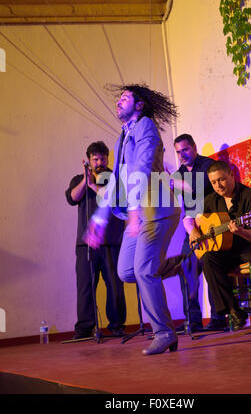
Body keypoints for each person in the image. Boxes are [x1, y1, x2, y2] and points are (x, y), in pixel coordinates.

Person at [84, 83, 181, 355]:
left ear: (138, 105)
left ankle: (163, 333)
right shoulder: (123, 136)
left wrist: (136, 211)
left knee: (143, 270)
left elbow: (143, 167)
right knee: (126, 271)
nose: (119, 102)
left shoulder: (146, 126)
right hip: (136, 215)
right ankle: (175, 266)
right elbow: (115, 182)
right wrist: (99, 221)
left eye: (125, 98)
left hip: (156, 210)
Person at [190, 160, 251, 335]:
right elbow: (195, 219)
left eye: (222, 180)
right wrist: (193, 231)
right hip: (228, 251)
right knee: (208, 259)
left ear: (231, 175)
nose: (218, 185)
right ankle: (234, 311)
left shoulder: (250, 197)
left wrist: (241, 231)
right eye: (213, 182)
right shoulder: (211, 200)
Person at [65, 141, 126, 339]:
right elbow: (73, 198)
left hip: (111, 242)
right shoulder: (79, 178)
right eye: (95, 159)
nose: (100, 162)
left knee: (114, 286)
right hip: (86, 245)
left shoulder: (115, 178)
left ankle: (116, 325)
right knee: (85, 286)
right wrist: (85, 180)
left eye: (103, 158)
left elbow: (113, 199)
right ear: (89, 160)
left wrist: (93, 185)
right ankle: (84, 328)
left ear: (108, 158)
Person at [173, 134, 226, 332]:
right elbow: (184, 204)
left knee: (212, 265)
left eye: (185, 150)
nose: (182, 155)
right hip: (192, 228)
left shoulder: (208, 166)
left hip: (212, 225)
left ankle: (218, 318)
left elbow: (205, 188)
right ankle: (192, 321)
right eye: (178, 152)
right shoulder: (178, 174)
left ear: (194, 147)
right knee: (186, 267)